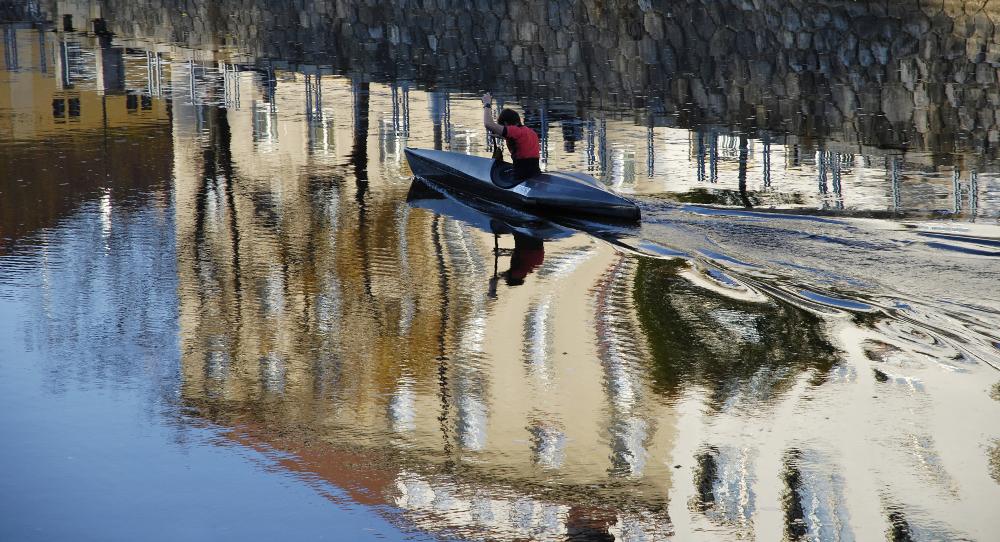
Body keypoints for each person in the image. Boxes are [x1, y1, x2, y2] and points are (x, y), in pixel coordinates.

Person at [481, 93, 541, 180]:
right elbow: (521, 143)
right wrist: (502, 136)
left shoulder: (514, 130)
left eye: (502, 126)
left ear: (505, 124)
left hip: (521, 177)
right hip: (535, 173)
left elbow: (488, 124)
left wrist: (487, 104)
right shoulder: (530, 132)